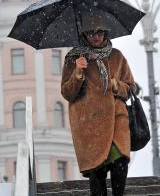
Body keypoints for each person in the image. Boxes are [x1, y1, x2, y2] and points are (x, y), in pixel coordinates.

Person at [61, 18, 136, 196]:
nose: (96, 37)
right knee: (97, 174)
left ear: (106, 33)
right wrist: (78, 72)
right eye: (91, 33)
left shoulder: (117, 56)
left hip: (116, 118)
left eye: (100, 32)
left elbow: (132, 88)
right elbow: (67, 93)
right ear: (84, 34)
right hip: (89, 123)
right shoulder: (74, 58)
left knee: (120, 163)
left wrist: (117, 85)